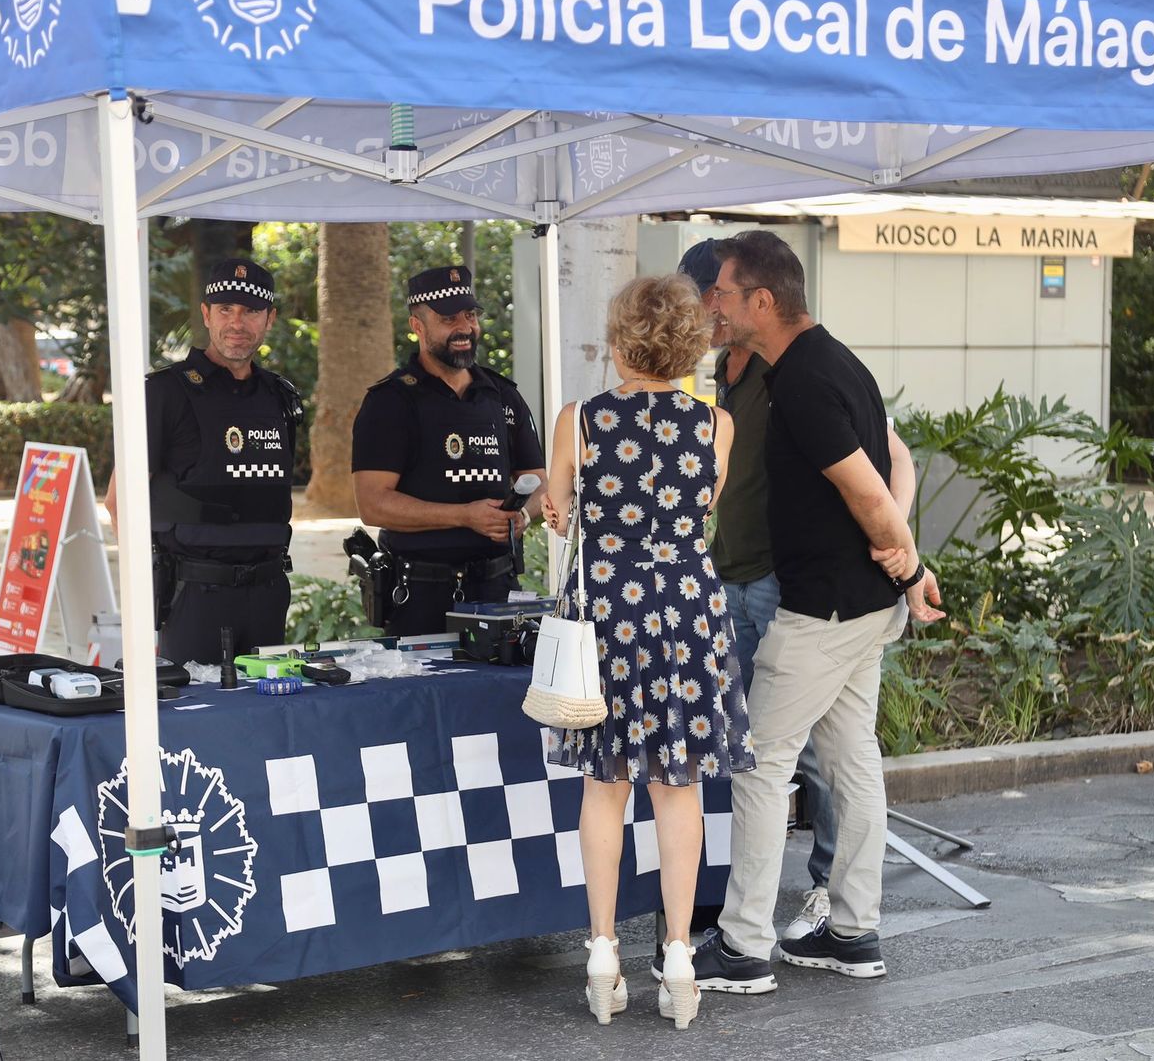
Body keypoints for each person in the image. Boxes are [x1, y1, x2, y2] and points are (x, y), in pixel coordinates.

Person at [685, 230, 942, 995]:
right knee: (852, 758)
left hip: (823, 610)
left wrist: (911, 562)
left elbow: (868, 486)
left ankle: (742, 944)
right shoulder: (833, 361)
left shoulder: (800, 379)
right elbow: (877, 478)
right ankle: (854, 932)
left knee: (762, 763)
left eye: (723, 292)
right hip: (857, 605)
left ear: (762, 300)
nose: (714, 304)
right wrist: (903, 564)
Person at [542, 274, 753, 1030]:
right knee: (678, 788)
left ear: (620, 339)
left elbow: (558, 516)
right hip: (687, 613)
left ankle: (603, 953)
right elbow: (701, 508)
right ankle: (681, 957)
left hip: (607, 612)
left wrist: (563, 503)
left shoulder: (579, 419)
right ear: (688, 343)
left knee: (605, 786)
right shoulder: (716, 425)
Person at [104, 258, 303, 666]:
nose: (237, 323)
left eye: (250, 311)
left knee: (268, 703)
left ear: (269, 319)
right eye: (226, 309)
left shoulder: (279, 397)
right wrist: (143, 589)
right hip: (193, 597)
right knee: (193, 705)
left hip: (267, 594)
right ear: (207, 314)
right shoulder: (165, 393)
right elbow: (119, 500)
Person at [351, 264, 545, 635]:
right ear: (417, 326)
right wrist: (464, 516)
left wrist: (522, 515)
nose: (464, 328)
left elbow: (539, 482)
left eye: (470, 315)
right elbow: (372, 505)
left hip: (497, 590)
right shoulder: (390, 401)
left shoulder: (503, 396)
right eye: (448, 319)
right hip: (419, 594)